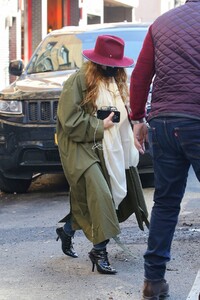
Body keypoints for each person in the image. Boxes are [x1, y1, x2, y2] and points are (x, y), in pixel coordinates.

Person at [56, 34, 149, 275]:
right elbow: (68, 120)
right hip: (81, 145)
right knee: (100, 193)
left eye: (115, 65)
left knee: (106, 195)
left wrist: (133, 133)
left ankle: (67, 229)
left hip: (112, 144)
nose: (111, 69)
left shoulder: (119, 81)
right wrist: (100, 125)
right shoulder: (78, 80)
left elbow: (127, 114)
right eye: (107, 64)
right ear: (96, 61)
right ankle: (99, 251)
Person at [130, 0, 200, 299]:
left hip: (162, 122)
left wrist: (137, 119)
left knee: (166, 203)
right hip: (196, 119)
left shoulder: (161, 23)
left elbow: (141, 75)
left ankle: (153, 281)